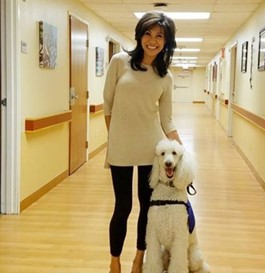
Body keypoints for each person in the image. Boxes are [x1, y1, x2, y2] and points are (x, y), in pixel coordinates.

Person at [103, 11, 183, 273]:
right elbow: (108, 104)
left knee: (147, 206)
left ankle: (139, 258)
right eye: (148, 33)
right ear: (139, 35)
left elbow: (167, 120)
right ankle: (114, 261)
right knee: (123, 206)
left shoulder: (165, 77)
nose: (152, 40)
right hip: (121, 148)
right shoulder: (119, 61)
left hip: (150, 148)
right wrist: (114, 137)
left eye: (160, 36)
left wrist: (182, 150)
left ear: (166, 42)